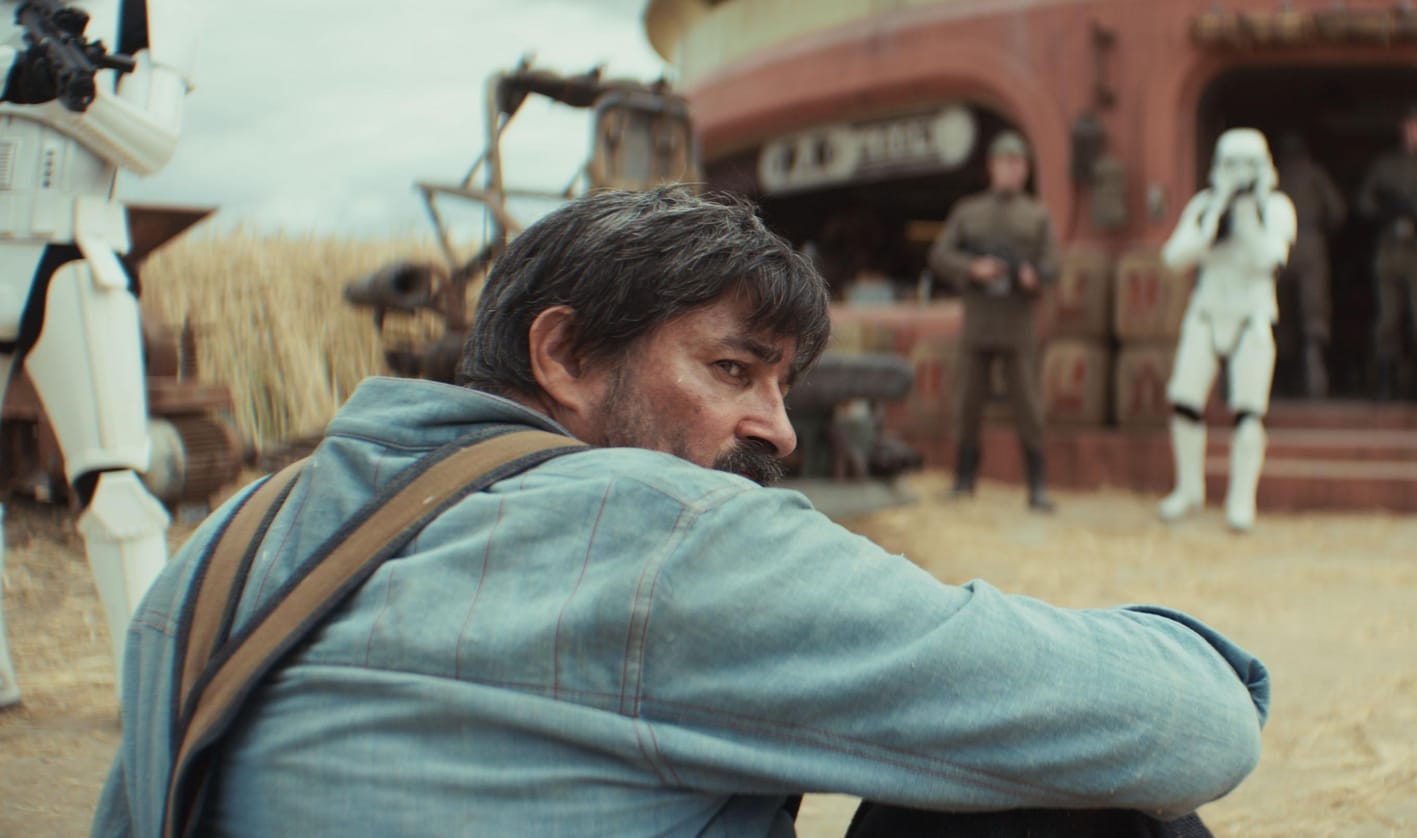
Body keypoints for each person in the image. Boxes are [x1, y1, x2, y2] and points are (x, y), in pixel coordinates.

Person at [93, 187, 1270, 836]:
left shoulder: (230, 537)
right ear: (561, 354)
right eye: (730, 370)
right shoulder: (661, 532)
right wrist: (1205, 653)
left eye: (781, 384)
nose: (779, 428)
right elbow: (1195, 726)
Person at [0, 0, 195, 708]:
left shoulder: (144, 8)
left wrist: (72, 100)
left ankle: (146, 695)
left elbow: (151, 148)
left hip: (74, 250)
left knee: (114, 486)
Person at [1157, 128, 1298, 533]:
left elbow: (1269, 260)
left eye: (1246, 164)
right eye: (1230, 164)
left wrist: (1246, 217)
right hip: (1205, 313)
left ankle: (1241, 498)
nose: (1237, 173)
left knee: (1248, 412)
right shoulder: (1204, 204)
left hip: (1251, 317)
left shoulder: (1276, 207)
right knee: (1185, 402)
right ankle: (1188, 489)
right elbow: (1173, 258)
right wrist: (1214, 217)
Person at [929, 131, 1061, 511]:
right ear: (992, 167)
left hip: (1018, 322)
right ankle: (963, 479)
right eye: (1004, 162)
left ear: (1025, 169)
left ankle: (1036, 484)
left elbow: (1054, 262)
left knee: (1028, 404)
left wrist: (1034, 276)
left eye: (1017, 162)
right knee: (968, 401)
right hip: (979, 320)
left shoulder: (1036, 214)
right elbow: (941, 254)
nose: (1010, 169)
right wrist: (974, 268)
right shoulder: (969, 211)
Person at [1356, 101, 1417, 402]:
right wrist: (1384, 211)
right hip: (1389, 249)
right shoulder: (1386, 164)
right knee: (1387, 322)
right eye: (1411, 126)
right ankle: (1388, 386)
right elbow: (1363, 200)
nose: (1416, 133)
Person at [1274, 133, 1347, 399]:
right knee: (1314, 310)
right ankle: (1314, 374)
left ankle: (1282, 379)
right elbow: (1337, 211)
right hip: (1310, 241)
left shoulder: (1273, 177)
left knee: (1281, 311)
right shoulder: (1315, 175)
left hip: (1279, 245)